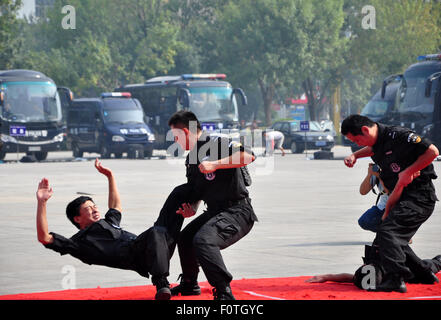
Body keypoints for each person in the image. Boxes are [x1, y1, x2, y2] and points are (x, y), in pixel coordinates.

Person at [36, 158, 194, 300]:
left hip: (154, 245)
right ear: (77, 218)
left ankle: (208, 187)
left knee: (178, 193)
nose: (95, 210)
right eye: (88, 209)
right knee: (155, 231)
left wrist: (110, 176)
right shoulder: (79, 242)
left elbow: (115, 206)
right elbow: (45, 238)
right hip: (138, 255)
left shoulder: (108, 222)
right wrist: (42, 203)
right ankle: (161, 283)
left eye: (95, 206)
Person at [341, 114, 439, 292]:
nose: (356, 143)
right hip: (402, 195)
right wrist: (355, 155)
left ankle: (396, 278)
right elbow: (372, 150)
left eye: (356, 139)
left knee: (388, 233)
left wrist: (409, 171)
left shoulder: (399, 135)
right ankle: (424, 272)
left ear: (365, 129)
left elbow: (433, 151)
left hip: (420, 197)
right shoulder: (378, 143)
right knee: (387, 236)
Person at [168, 110, 258, 300]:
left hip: (238, 211)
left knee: (203, 240)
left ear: (185, 132)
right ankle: (190, 284)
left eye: (176, 137)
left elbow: (248, 155)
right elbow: (197, 191)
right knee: (185, 238)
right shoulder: (191, 159)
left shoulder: (217, 142)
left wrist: (216, 164)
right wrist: (191, 208)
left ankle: (224, 291)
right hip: (216, 212)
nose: (175, 142)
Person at [306, 244, 440, 290]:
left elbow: (349, 278)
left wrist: (327, 277)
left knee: (428, 265)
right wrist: (326, 277)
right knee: (431, 265)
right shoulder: (374, 276)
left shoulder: (367, 276)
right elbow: (350, 278)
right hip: (409, 269)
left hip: (406, 267)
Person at [358, 163, 389, 232]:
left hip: (400, 207)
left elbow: (391, 192)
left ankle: (402, 234)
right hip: (383, 207)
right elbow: (363, 191)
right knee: (364, 221)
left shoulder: (397, 170)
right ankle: (388, 233)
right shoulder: (378, 170)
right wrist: (369, 174)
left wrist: (380, 176)